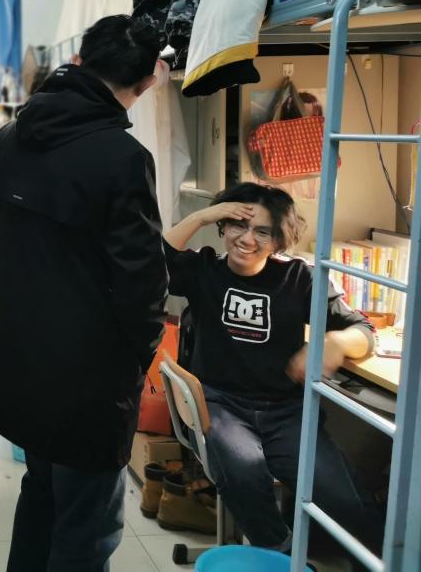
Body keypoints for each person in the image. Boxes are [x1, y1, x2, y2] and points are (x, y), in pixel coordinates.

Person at [0, 15, 169, 572]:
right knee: (87, 529)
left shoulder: (12, 137)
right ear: (148, 81)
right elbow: (141, 282)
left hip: (23, 355)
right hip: (88, 377)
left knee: (40, 498)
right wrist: (141, 356)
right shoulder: (124, 157)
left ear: (79, 60)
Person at [163, 182, 381, 554]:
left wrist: (335, 342)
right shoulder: (204, 269)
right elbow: (155, 259)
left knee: (345, 499)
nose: (247, 239)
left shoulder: (299, 278)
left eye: (263, 232)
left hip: (285, 411)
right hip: (221, 404)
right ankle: (279, 553)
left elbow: (363, 330)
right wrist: (202, 216)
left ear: (279, 240)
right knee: (245, 472)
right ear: (222, 226)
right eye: (237, 224)